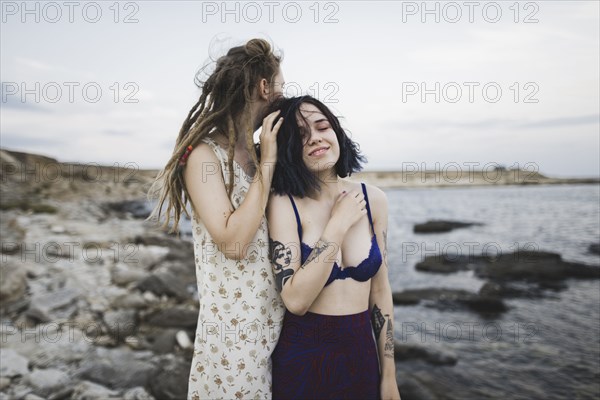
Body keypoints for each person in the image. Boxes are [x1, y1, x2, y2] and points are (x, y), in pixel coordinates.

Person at [146, 38, 287, 400]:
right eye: (281, 88)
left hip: (278, 326)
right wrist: (268, 162)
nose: (283, 98)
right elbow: (234, 242)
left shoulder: (256, 155)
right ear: (263, 87)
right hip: (234, 339)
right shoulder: (204, 156)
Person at [265, 96, 402, 400]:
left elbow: (380, 292)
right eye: (300, 135)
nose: (314, 137)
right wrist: (338, 225)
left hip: (361, 359)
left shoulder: (374, 198)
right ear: (289, 148)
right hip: (302, 362)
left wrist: (389, 375)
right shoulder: (283, 203)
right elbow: (296, 300)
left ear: (336, 132)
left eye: (322, 126)